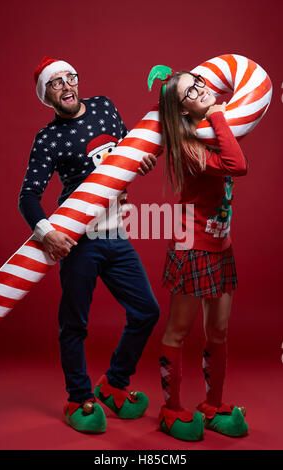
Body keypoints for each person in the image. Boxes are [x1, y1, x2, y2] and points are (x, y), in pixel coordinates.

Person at [18, 56, 160, 434]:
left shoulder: (104, 106)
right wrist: (47, 232)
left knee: (146, 312)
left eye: (70, 78)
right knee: (74, 324)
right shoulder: (47, 138)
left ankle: (113, 384)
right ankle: (79, 398)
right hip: (78, 240)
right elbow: (28, 196)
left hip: (116, 234)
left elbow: (129, 148)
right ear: (46, 95)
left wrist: (140, 162)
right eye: (56, 83)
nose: (66, 86)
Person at [147, 65, 249, 441]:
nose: (201, 92)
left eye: (200, 84)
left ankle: (213, 405)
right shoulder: (188, 146)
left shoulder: (215, 132)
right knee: (179, 331)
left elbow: (234, 154)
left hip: (221, 246)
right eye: (190, 93)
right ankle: (171, 409)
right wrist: (219, 114)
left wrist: (219, 118)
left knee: (218, 330)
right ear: (182, 112)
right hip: (192, 248)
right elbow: (238, 166)